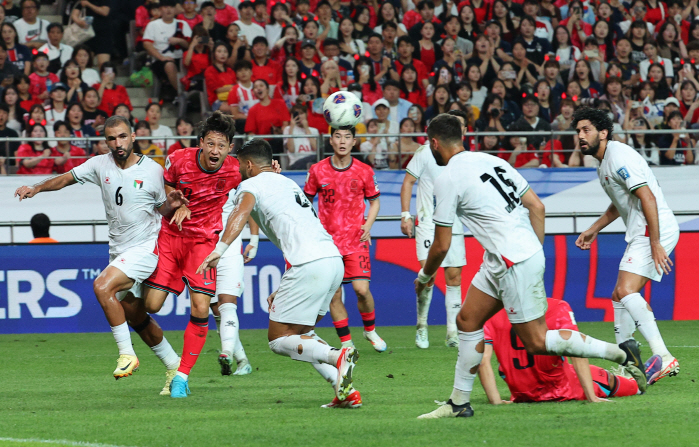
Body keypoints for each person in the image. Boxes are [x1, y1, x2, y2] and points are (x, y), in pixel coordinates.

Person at [416, 114, 645, 419]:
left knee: (537, 342)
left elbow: (442, 245)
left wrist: (425, 275)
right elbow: (537, 205)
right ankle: (459, 403)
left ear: (434, 143)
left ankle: (618, 353)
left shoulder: (446, 179)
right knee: (468, 321)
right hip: (508, 257)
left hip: (513, 260)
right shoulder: (491, 160)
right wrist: (534, 253)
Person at [14, 115, 187, 393]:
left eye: (122, 137)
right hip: (119, 251)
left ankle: (126, 354)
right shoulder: (99, 164)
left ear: (132, 137)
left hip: (146, 247)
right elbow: (65, 179)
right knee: (137, 316)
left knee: (101, 286)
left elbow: (162, 210)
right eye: (111, 138)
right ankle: (174, 366)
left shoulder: (153, 171)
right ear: (105, 141)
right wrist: (36, 188)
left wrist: (173, 204)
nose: (117, 143)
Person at [197, 138, 361, 409]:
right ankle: (344, 390)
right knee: (302, 332)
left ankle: (337, 356)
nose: (237, 169)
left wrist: (220, 249)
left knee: (278, 339)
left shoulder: (250, 185)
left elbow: (241, 213)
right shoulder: (286, 182)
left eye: (239, 164)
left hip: (310, 263)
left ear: (249, 165)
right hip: (331, 259)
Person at [139, 112, 248, 398]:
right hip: (172, 236)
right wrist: (177, 203)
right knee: (150, 305)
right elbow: (168, 183)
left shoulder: (235, 170)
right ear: (201, 142)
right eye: (210, 144)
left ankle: (181, 376)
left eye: (221, 146)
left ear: (229, 149)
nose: (215, 151)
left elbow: (256, 175)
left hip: (203, 243)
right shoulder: (178, 158)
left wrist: (271, 169)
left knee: (201, 307)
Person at [573, 107, 680, 385]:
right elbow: (620, 204)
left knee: (625, 290)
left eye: (586, 130)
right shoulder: (602, 162)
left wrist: (655, 242)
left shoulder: (619, 156)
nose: (580, 136)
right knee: (619, 296)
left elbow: (648, 198)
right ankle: (628, 364)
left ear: (604, 133)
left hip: (652, 228)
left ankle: (663, 356)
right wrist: (594, 229)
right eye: (578, 131)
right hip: (642, 231)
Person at [304, 127, 387, 352]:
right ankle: (346, 343)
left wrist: (367, 226)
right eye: (338, 136)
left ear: (354, 142)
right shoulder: (317, 170)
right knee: (334, 294)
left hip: (355, 240)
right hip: (328, 244)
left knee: (361, 289)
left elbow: (375, 201)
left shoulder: (365, 171)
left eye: (347, 137)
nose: (342, 141)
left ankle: (369, 330)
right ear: (331, 140)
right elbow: (306, 202)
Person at [479, 298, 646, 404]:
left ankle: (636, 370)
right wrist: (592, 398)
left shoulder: (489, 314)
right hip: (561, 389)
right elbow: (577, 350)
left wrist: (496, 401)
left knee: (585, 369)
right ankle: (640, 380)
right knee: (605, 378)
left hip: (521, 393)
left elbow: (482, 360)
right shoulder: (557, 307)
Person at [400, 125, 466, 348]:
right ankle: (421, 326)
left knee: (454, 278)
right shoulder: (424, 152)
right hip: (429, 224)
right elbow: (408, 181)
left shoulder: (464, 158)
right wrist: (405, 215)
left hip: (455, 224)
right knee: (427, 278)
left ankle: (452, 333)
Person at [142, 0, 192, 99]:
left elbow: (190, 45)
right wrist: (161, 57)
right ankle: (183, 96)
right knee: (169, 65)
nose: (169, 9)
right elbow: (147, 44)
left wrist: (179, 41)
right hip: (160, 60)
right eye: (165, 7)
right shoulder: (153, 25)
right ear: (160, 10)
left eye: (171, 7)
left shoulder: (183, 24)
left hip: (182, 58)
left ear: (175, 9)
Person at [284, 104, 318, 169]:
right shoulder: (288, 129)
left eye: (301, 113)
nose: (299, 116)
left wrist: (306, 128)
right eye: (297, 114)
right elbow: (291, 149)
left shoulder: (314, 130)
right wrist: (292, 127)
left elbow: (316, 148)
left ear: (306, 114)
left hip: (312, 163)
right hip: (296, 163)